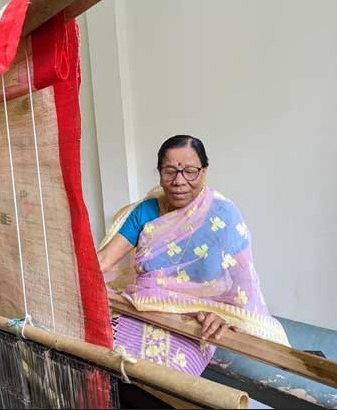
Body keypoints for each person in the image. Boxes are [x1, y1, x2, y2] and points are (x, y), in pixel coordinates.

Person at [98, 135, 289, 378]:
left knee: (163, 384)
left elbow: (244, 286)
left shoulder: (222, 216)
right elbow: (104, 260)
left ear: (204, 172)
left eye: (189, 171)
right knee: (104, 363)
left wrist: (224, 316)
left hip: (196, 322)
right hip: (142, 308)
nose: (179, 181)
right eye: (170, 171)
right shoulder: (146, 211)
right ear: (159, 174)